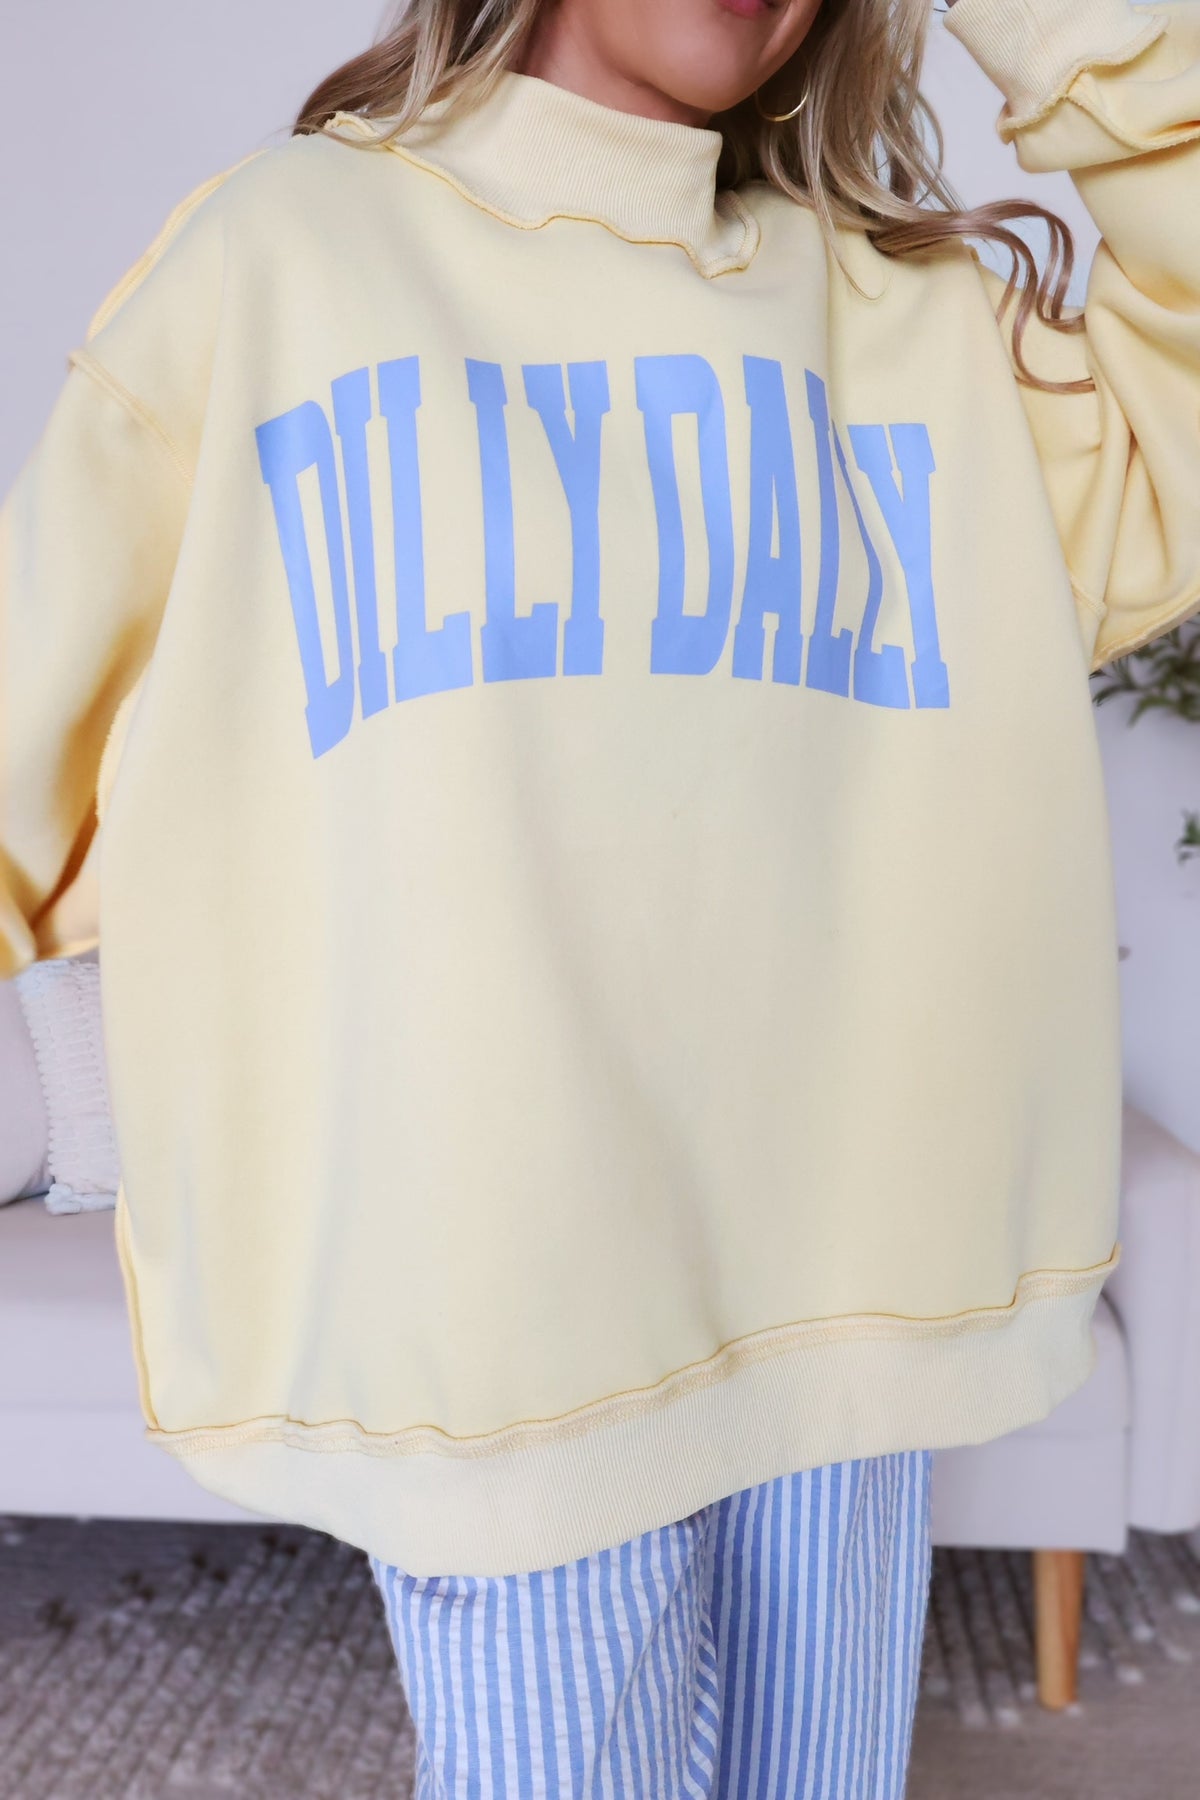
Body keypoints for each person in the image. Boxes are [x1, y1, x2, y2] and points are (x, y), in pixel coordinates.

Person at [3, 0, 1199, 1790]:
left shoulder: (909, 325)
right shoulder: (284, 257)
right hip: (496, 1347)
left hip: (849, 1308)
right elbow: (30, 743)